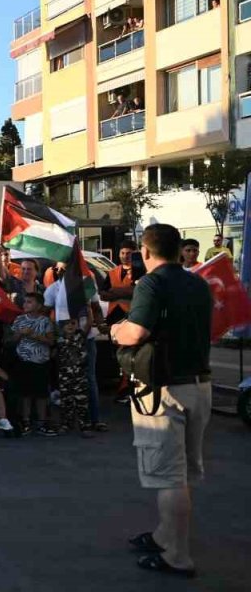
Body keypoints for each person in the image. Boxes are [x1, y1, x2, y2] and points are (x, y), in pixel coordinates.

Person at [111, 223, 212, 578]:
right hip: (200, 385)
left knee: (169, 477)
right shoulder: (198, 283)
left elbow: (135, 331)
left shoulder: (151, 283)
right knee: (182, 473)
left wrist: (114, 330)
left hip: (165, 390)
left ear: (146, 251)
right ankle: (164, 535)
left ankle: (178, 556)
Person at [43, 263, 108, 431]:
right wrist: (52, 334)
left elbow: (96, 308)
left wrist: (100, 323)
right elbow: (44, 313)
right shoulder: (53, 290)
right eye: (61, 268)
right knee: (65, 383)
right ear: (57, 271)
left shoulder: (87, 284)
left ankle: (93, 420)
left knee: (89, 379)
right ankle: (68, 422)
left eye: (69, 266)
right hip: (64, 343)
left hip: (86, 340)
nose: (65, 270)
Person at [8, 292, 56, 437]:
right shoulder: (19, 320)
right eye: (25, 301)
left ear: (39, 305)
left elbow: (51, 341)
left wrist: (34, 335)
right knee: (25, 394)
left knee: (41, 394)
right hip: (24, 362)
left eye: (30, 302)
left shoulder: (45, 321)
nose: (25, 304)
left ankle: (41, 422)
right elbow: (12, 340)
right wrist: (21, 334)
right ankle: (26, 421)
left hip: (40, 362)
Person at [54, 319, 91, 437]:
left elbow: (88, 323)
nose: (70, 326)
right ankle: (66, 424)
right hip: (65, 375)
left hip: (79, 375)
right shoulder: (58, 339)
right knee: (66, 401)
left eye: (73, 323)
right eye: (66, 324)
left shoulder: (80, 336)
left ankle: (85, 426)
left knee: (82, 401)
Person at [105, 241, 138, 323]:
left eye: (128, 253)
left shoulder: (139, 272)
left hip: (131, 316)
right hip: (113, 316)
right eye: (122, 253)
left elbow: (139, 292)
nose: (125, 256)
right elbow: (103, 294)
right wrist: (126, 292)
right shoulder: (112, 272)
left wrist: (115, 291)